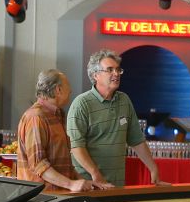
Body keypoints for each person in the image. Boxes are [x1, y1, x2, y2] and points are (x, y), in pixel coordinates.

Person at [67, 49, 169, 188]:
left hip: (117, 185)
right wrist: (96, 175)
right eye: (110, 70)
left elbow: (136, 140)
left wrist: (153, 168)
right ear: (95, 75)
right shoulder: (81, 104)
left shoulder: (124, 100)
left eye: (118, 70)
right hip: (88, 184)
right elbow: (76, 147)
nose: (116, 74)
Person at [17, 70, 105, 192]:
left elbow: (62, 164)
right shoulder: (36, 117)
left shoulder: (57, 114)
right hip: (41, 198)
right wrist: (71, 184)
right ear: (58, 90)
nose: (70, 91)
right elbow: (39, 164)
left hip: (57, 196)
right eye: (68, 86)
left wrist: (82, 182)